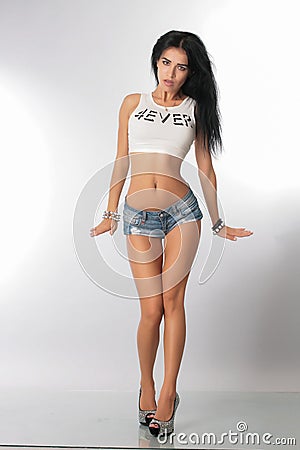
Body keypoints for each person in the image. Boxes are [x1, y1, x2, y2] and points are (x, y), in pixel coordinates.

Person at [90, 30, 253, 438]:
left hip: (182, 213)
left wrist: (218, 223)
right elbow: (121, 158)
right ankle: (145, 385)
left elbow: (205, 167)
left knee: (173, 303)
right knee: (150, 312)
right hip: (137, 215)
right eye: (166, 62)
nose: (171, 73)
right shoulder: (133, 103)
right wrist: (111, 212)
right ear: (156, 61)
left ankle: (168, 393)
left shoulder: (195, 109)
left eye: (181, 66)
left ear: (190, 72)